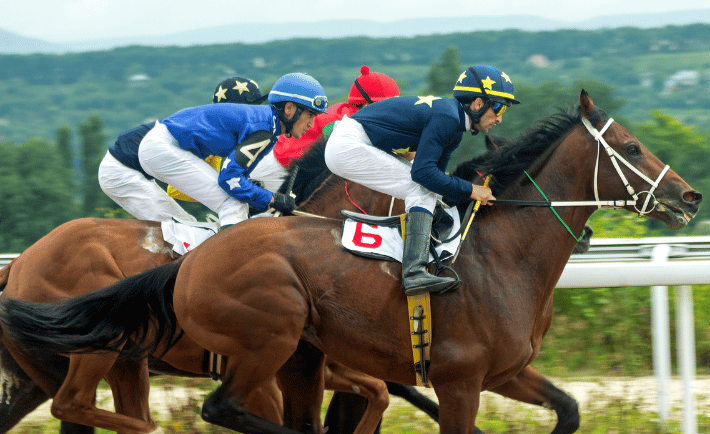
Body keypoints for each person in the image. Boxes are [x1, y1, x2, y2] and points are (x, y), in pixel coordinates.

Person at [324, 65, 518, 295]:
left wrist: (469, 195)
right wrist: (471, 190)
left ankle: (418, 259)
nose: (500, 118)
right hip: (348, 145)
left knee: (428, 191)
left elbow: (437, 181)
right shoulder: (447, 117)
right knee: (422, 189)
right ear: (477, 103)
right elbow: (423, 176)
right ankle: (414, 272)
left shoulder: (454, 128)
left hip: (353, 142)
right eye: (499, 107)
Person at [136, 73, 327, 229]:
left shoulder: (269, 127)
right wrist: (272, 198)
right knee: (232, 204)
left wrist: (263, 197)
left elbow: (233, 176)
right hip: (163, 148)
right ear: (289, 108)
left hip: (161, 146)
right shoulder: (264, 130)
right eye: (310, 114)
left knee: (236, 201)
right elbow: (229, 179)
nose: (311, 124)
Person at [98, 77, 266, 222]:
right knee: (182, 227)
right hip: (121, 172)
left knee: (188, 225)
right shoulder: (214, 135)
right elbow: (176, 190)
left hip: (130, 164)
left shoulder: (216, 128)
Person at [250, 65, 400, 193]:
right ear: (366, 104)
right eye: (386, 106)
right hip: (278, 168)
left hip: (286, 163)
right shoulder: (347, 121)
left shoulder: (350, 113)